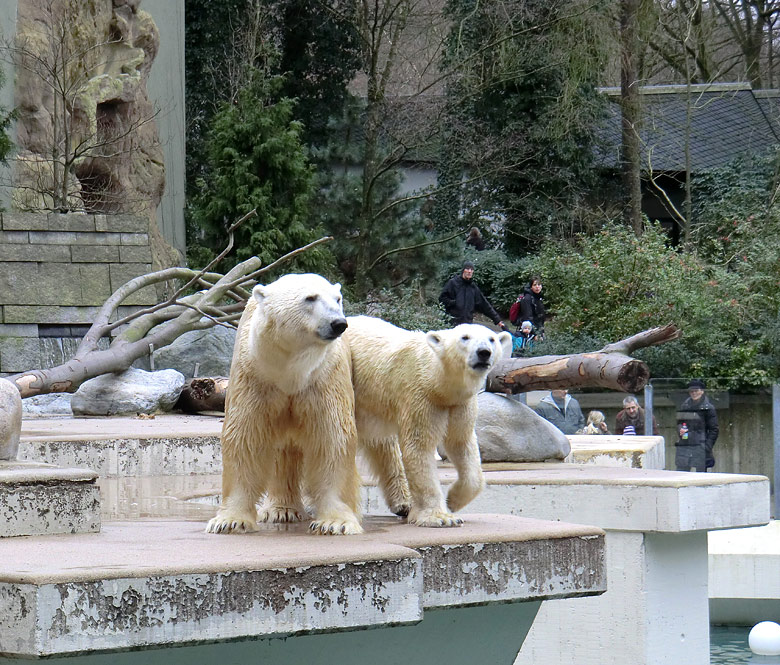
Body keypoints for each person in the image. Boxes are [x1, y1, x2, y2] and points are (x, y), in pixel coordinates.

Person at [439, 261, 507, 330]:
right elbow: (442, 299)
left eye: (471, 269)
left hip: (467, 324)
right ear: (463, 270)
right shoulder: (453, 283)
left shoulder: (473, 288)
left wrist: (498, 320)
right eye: (467, 269)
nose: (469, 271)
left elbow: (485, 305)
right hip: (452, 323)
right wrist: (453, 303)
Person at [675, 379, 719, 472]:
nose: (694, 393)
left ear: (702, 391)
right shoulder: (685, 406)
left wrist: (707, 447)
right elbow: (679, 423)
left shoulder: (708, 408)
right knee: (681, 473)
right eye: (691, 391)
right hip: (685, 445)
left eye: (696, 391)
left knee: (701, 476)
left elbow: (714, 429)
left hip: (701, 446)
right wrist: (680, 430)